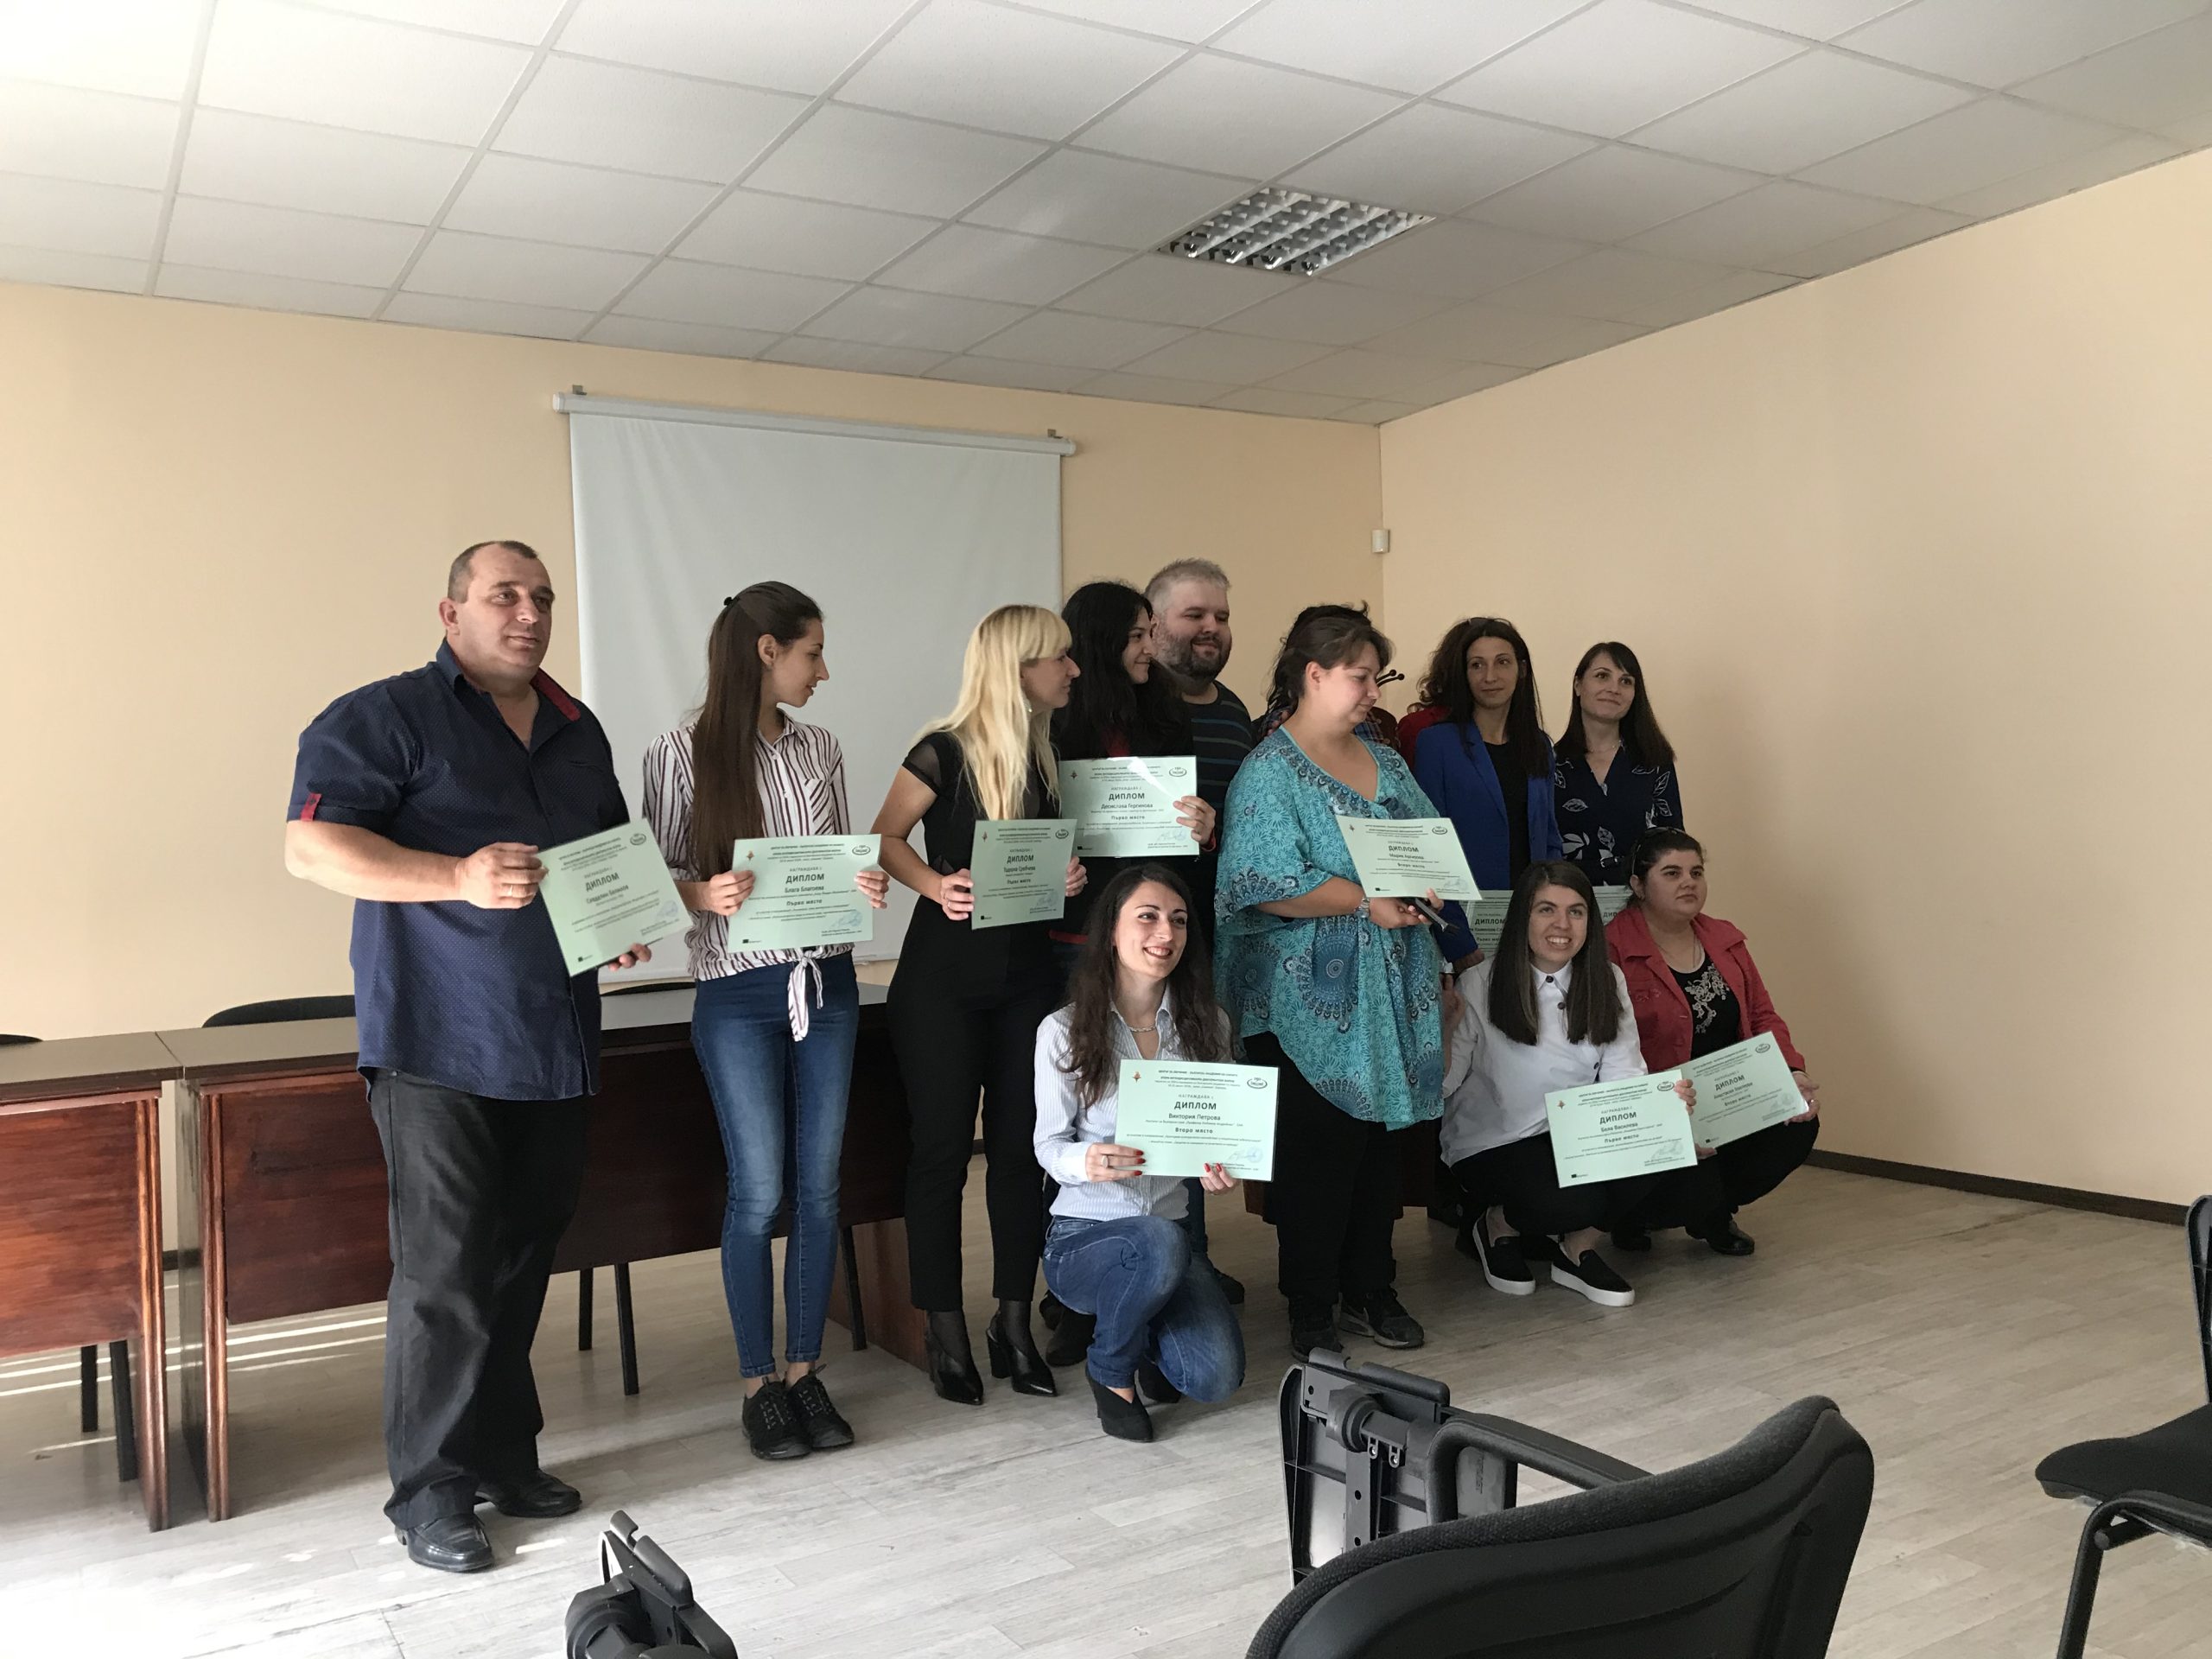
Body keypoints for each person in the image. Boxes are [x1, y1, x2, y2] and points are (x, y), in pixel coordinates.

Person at [283, 540, 652, 1574]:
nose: (529, 613)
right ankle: (429, 1494)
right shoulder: (384, 715)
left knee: (522, 1263)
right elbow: (309, 848)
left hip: (555, 1038)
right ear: (451, 613)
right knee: (444, 1275)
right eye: (504, 596)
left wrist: (617, 923)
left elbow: (597, 863)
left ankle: (499, 1455)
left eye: (542, 598)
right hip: (434, 1043)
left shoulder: (577, 730)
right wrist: (455, 876)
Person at [639, 583, 889, 1462]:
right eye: (811, 653)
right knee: (757, 1190)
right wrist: (700, 893)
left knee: (820, 1188)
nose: (823, 671)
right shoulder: (678, 753)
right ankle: (758, 1384)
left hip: (827, 984)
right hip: (738, 994)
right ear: (765, 651)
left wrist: (863, 882)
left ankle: (804, 1370)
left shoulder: (821, 748)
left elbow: (833, 861)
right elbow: (656, 878)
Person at [1217, 607, 1447, 1358]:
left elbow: (1423, 843)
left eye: (1378, 677)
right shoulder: (1270, 771)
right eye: (1359, 677)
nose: (1372, 693)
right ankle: (1311, 1304)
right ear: (1313, 676)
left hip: (1392, 982)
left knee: (1380, 1148)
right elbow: (1257, 882)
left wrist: (1427, 885)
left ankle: (1372, 1287)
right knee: (1319, 1155)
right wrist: (1364, 899)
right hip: (1309, 1002)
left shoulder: (1387, 761)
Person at [871, 604, 1087, 1406]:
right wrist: (935, 885)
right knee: (939, 1155)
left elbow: (1042, 863)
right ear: (1018, 667)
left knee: (1021, 1153)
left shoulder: (1046, 756)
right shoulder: (941, 749)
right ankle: (944, 1328)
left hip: (1027, 978)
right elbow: (885, 839)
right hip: (942, 983)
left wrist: (1067, 874)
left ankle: (1013, 1321)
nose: (1072, 670)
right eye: (1059, 658)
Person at [1041, 582, 1228, 1364]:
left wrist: (1205, 827)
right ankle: (1075, 1296)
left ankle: (1183, 1261)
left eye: (1153, 632)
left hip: (1159, 930)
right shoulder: (1057, 724)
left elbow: (1185, 835)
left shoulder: (1166, 712)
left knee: (1183, 1101)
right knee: (1086, 1106)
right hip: (1079, 937)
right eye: (1137, 636)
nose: (1151, 648)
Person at [1034, 866, 1247, 1442]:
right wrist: (1086, 1161)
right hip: (1085, 1238)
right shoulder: (1063, 1029)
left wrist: (1223, 1164)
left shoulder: (1209, 1024)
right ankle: (1110, 1369)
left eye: (1178, 920)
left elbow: (1223, 1130)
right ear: (1111, 931)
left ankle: (1147, 1332)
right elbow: (1047, 1145)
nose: (1166, 933)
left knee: (1213, 1378)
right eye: (1147, 917)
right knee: (1156, 1240)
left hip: (1168, 1235)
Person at [1440, 860, 1697, 1310]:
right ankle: (1497, 1225)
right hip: (1496, 1142)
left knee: (1665, 1147)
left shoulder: (1606, 979)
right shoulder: (1479, 982)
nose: (1562, 925)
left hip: (1577, 1136)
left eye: (1576, 912)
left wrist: (1659, 1110)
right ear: (1522, 917)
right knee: (1570, 1201)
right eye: (1546, 910)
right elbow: (1442, 1087)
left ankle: (1577, 1248)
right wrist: (1444, 1028)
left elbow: (1624, 1074)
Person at [1606, 830, 1818, 1255]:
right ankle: (1634, 1213)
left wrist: (1792, 1071)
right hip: (1659, 1104)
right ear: (1638, 885)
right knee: (1691, 1187)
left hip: (1729, 1095)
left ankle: (1713, 1213)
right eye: (1672, 873)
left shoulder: (1724, 938)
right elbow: (1601, 1048)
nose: (1689, 882)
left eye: (1696, 872)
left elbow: (1762, 1015)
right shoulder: (1611, 947)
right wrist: (1661, 1112)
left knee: (1798, 1123)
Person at [1405, 617, 1564, 968]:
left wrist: (1553, 916)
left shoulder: (1539, 745)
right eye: (1477, 665)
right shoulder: (1437, 743)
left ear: (1522, 670)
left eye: (1502, 662)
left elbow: (1549, 840)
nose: (1490, 676)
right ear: (1464, 675)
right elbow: (1427, 850)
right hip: (1465, 933)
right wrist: (1457, 940)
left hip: (1531, 926)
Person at [1554, 642, 1683, 889]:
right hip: (1570, 899)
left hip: (1642, 899)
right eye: (1602, 676)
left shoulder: (1655, 762)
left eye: (1625, 681)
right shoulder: (1550, 763)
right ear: (1578, 685)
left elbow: (1673, 844)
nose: (1614, 689)